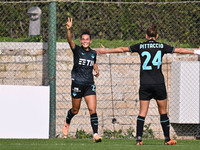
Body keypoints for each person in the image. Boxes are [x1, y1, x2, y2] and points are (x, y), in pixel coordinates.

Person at [95, 24, 200, 145]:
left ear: (146, 36)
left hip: (145, 83)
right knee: (163, 112)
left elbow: (122, 49)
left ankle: (139, 139)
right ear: (157, 36)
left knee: (142, 112)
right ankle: (167, 139)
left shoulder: (141, 46)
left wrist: (106, 51)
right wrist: (197, 51)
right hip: (159, 83)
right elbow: (180, 50)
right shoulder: (161, 46)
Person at [62, 17, 102, 143]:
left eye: (87, 40)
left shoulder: (93, 53)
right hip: (77, 84)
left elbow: (93, 63)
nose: (85, 41)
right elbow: (69, 41)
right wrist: (69, 30)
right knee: (75, 110)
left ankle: (95, 134)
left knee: (92, 109)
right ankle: (68, 121)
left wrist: (96, 69)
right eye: (83, 39)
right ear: (81, 41)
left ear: (90, 41)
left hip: (89, 85)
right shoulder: (77, 50)